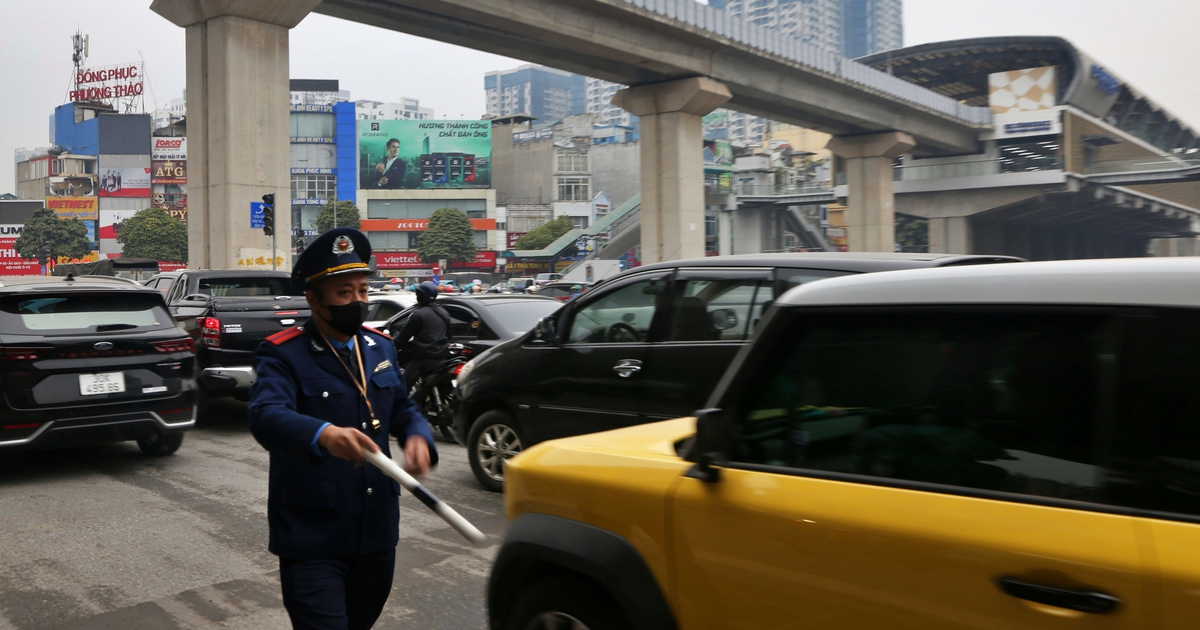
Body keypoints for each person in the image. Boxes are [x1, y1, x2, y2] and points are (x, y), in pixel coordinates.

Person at [247, 227, 436, 630]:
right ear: (314, 300)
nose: (358, 302)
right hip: (313, 535)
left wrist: (418, 436)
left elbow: (402, 407)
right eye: (344, 293)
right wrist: (324, 434)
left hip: (376, 531)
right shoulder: (284, 354)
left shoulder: (379, 347)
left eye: (362, 291)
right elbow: (265, 414)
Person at [393, 281, 451, 387]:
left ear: (420, 296)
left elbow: (403, 337)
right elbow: (449, 335)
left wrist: (391, 347)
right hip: (442, 358)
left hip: (423, 361)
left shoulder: (419, 315)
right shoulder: (444, 313)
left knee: (403, 389)